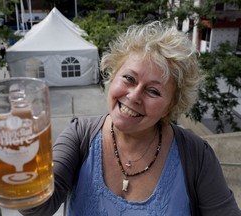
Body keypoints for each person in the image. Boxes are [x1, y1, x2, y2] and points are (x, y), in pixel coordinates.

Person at [19, 21, 241, 216]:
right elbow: (39, 207)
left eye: (153, 91)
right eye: (128, 78)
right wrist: (18, 155)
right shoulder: (80, 136)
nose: (134, 96)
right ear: (112, 75)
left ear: (170, 107)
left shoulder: (196, 156)